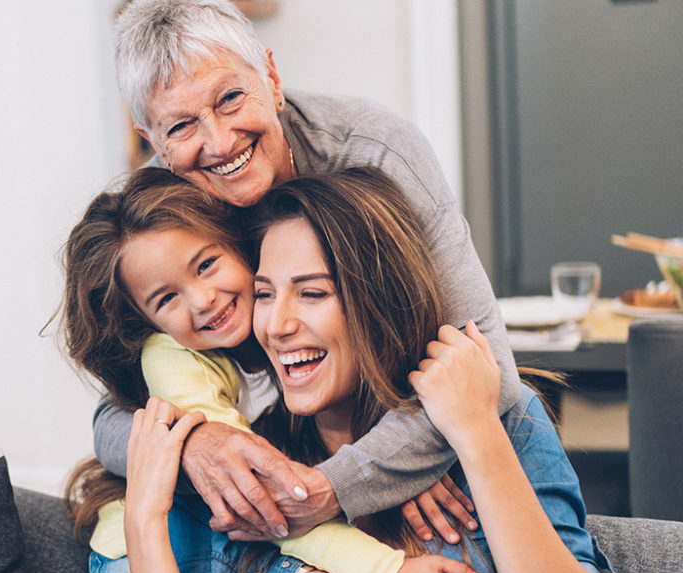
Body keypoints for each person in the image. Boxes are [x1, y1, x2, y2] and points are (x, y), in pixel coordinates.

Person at [92, 0, 518, 545]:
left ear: (271, 77)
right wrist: (195, 443)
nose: (219, 143)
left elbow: (489, 373)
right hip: (277, 457)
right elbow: (110, 420)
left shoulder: (376, 152)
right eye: (181, 125)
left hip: (397, 451)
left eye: (229, 98)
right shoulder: (157, 217)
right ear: (153, 141)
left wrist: (343, 480)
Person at [62, 167, 481, 573]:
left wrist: (404, 465)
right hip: (150, 538)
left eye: (206, 265)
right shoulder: (172, 358)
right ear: (146, 320)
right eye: (167, 299)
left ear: (240, 246)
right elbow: (260, 497)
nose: (202, 300)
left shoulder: (281, 326)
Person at [244, 169, 612, 573]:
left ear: (382, 302)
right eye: (264, 294)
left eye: (313, 293)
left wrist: (477, 435)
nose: (276, 326)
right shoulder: (253, 457)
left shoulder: (502, 420)